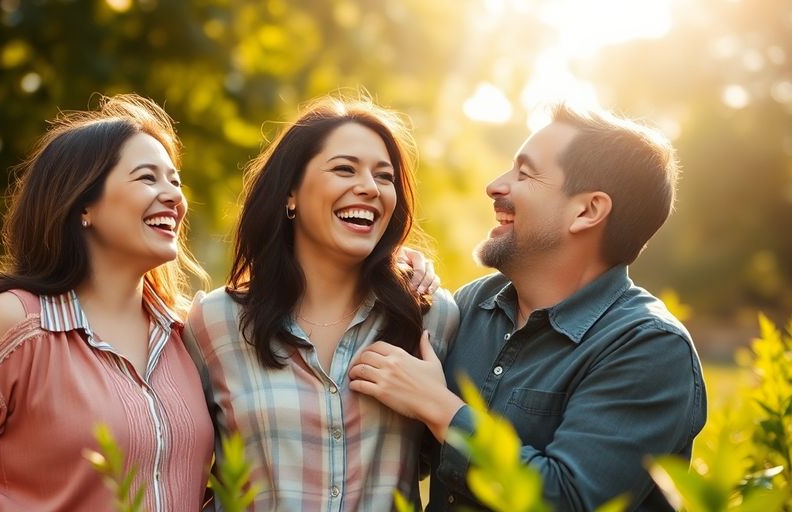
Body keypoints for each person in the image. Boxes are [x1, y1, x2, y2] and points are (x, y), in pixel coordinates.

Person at [349, 103, 707, 511]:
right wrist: (381, 271)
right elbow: (407, 457)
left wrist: (442, 409)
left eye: (525, 173)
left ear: (587, 211)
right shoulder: (472, 306)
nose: (495, 186)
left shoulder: (649, 348)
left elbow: (568, 499)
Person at [0, 94, 214, 511]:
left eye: (175, 180)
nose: (173, 196)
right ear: (83, 204)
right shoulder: (12, 325)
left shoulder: (190, 334)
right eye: (148, 178)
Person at [183, 94, 460, 511]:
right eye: (344, 169)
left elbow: (448, 463)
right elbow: (177, 470)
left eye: (384, 177)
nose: (369, 187)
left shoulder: (432, 319)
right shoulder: (214, 322)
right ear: (290, 193)